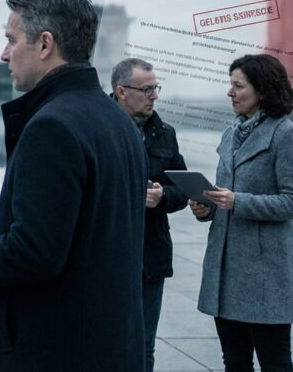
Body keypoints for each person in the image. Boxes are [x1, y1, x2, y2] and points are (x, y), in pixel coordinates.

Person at [0, 0, 147, 371]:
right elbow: (95, 222)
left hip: (54, 349)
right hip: (107, 343)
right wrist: (7, 219)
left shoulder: (52, 127)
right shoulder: (116, 119)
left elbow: (33, 257)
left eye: (11, 40)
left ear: (44, 44)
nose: (4, 53)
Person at [190, 54, 293, 372]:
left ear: (262, 90)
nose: (230, 92)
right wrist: (207, 209)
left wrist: (239, 202)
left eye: (238, 85)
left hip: (264, 275)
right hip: (225, 271)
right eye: (230, 84)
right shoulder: (231, 134)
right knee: (235, 362)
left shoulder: (288, 135)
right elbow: (225, 197)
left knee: (275, 362)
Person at [112, 57, 188, 372]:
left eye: (155, 88)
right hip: (109, 257)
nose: (154, 96)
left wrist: (163, 196)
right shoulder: (98, 127)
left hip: (150, 258)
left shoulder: (164, 133)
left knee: (144, 347)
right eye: (146, 90)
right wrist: (130, 196)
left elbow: (183, 187)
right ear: (121, 92)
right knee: (107, 344)